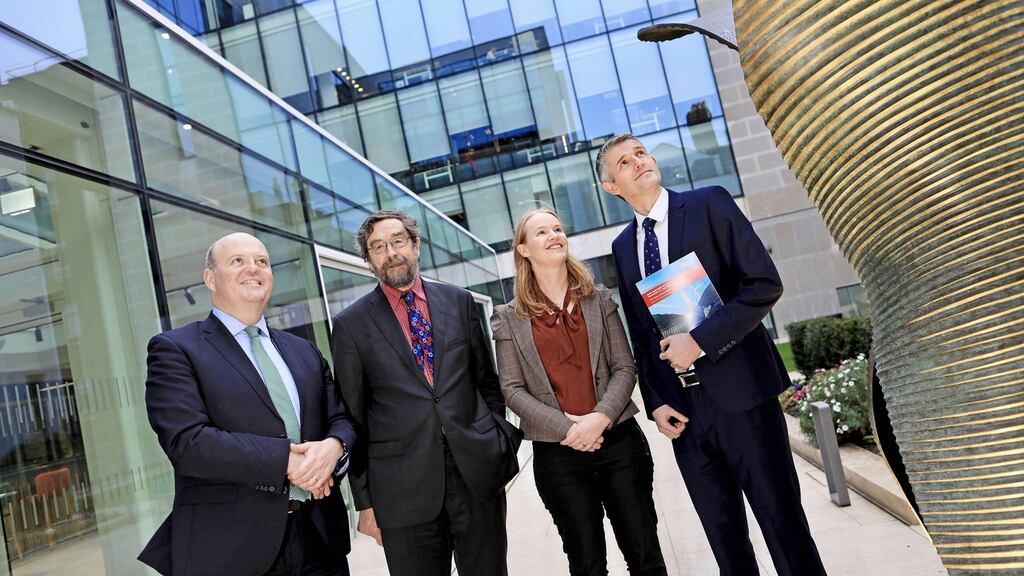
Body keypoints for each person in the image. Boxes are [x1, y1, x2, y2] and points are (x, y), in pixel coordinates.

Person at [597, 134, 827, 576]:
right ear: (613, 187)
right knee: (725, 541)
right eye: (624, 162)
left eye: (641, 152)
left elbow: (763, 284)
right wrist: (657, 400)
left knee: (784, 526)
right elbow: (643, 336)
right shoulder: (624, 247)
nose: (639, 162)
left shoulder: (708, 205)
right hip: (686, 414)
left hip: (743, 397)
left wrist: (699, 340)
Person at [139, 232, 357, 576]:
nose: (252, 269)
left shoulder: (304, 350)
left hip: (319, 540)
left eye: (262, 261)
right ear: (210, 278)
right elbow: (187, 442)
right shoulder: (175, 350)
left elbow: (341, 418)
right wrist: (284, 459)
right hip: (233, 550)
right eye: (237, 261)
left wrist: (333, 447)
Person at [331, 210, 521, 576]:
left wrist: (499, 440)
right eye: (378, 247)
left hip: (475, 474)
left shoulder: (459, 301)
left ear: (416, 246)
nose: (391, 252)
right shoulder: (350, 325)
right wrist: (365, 503)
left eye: (398, 241)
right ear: (369, 260)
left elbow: (485, 381)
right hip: (401, 489)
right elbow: (353, 418)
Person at [490, 208, 668, 576]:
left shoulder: (598, 299)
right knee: (586, 564)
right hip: (559, 458)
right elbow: (511, 388)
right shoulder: (507, 317)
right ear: (523, 250)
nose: (554, 235)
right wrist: (570, 430)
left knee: (645, 555)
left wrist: (600, 419)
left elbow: (624, 367)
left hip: (620, 445)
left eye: (557, 228)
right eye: (541, 233)